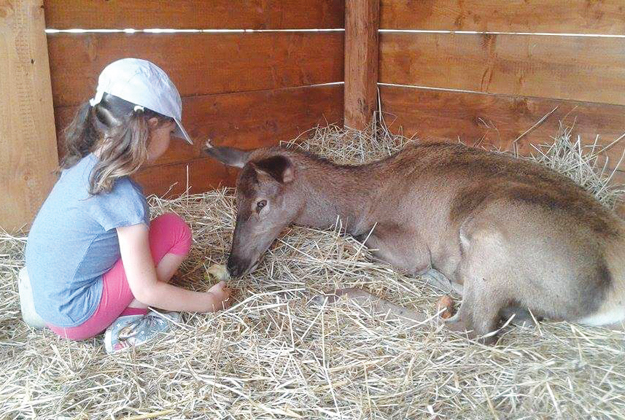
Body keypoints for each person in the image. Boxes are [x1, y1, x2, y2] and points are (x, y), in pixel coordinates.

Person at [25, 58, 230, 353]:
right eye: (170, 132)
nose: (170, 140)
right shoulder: (123, 196)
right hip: (76, 318)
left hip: (48, 304)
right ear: (152, 125)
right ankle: (130, 328)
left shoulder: (81, 167)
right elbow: (147, 289)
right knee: (174, 230)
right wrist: (209, 303)